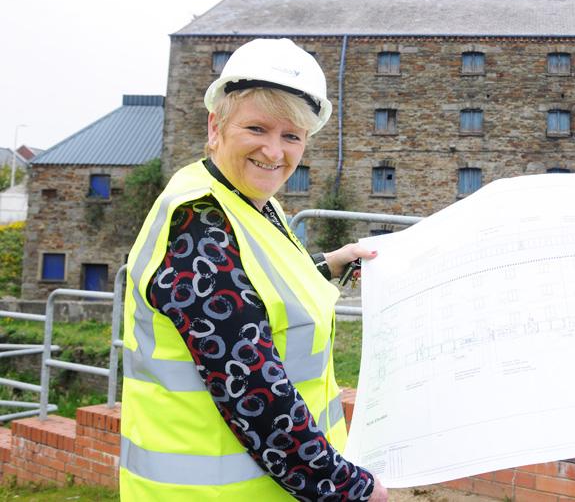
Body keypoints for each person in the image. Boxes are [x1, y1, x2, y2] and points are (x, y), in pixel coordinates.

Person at [120, 38, 389, 501]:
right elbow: (255, 395)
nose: (274, 151)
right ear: (216, 126)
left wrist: (329, 264)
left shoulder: (250, 204)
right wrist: (350, 489)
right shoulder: (199, 224)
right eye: (257, 129)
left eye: (291, 136)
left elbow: (255, 295)